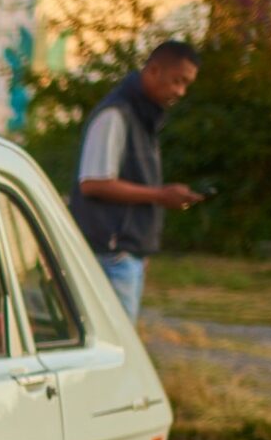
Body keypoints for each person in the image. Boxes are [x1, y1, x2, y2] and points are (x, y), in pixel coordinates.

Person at [68, 40, 204, 322]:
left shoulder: (144, 117)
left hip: (125, 254)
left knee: (116, 348)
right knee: (116, 350)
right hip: (110, 254)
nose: (181, 91)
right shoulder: (116, 115)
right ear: (154, 70)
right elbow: (92, 182)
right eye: (177, 81)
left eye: (187, 84)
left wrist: (140, 251)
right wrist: (160, 196)